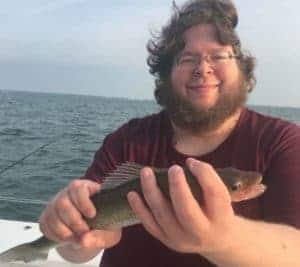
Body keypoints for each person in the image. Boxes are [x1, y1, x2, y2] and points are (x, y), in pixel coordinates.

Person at [39, 0, 300, 266]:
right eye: (187, 58)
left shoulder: (284, 142)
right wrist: (63, 224)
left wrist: (222, 240)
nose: (203, 68)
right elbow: (78, 250)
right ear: (166, 74)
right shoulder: (126, 140)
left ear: (241, 68)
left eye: (219, 55)